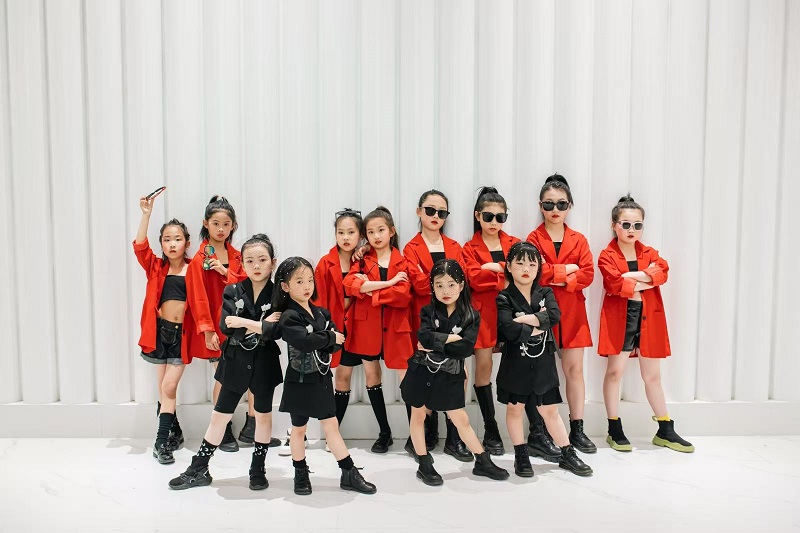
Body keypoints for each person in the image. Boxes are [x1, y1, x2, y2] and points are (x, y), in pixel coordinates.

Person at [598, 196, 694, 453]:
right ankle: (614, 428)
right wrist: (646, 279)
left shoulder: (649, 253)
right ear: (614, 225)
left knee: (652, 376)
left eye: (637, 225)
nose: (632, 230)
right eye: (626, 224)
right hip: (622, 318)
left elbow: (662, 271)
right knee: (614, 372)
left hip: (649, 316)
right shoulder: (607, 255)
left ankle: (665, 429)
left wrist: (630, 277)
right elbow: (614, 284)